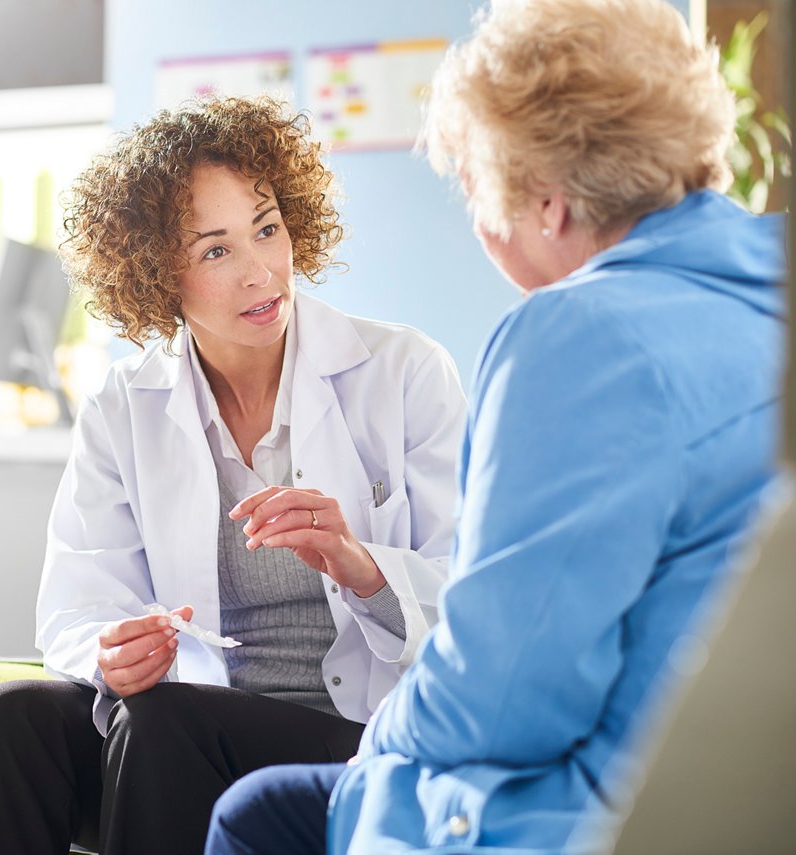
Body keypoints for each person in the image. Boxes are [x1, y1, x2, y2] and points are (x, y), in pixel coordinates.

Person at [204, 1, 788, 853]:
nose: (476, 219)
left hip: (618, 800)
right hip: (753, 782)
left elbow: (504, 695)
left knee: (256, 815)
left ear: (546, 203)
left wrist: (381, 742)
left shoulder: (577, 336)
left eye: (475, 187)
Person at [0, 96, 467, 855]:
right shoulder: (124, 405)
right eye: (216, 250)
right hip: (170, 739)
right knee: (5, 717)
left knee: (164, 720)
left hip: (350, 740)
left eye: (268, 228)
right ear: (156, 273)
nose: (261, 272)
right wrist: (109, 654)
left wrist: (363, 566)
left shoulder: (405, 373)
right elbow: (78, 606)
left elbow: (469, 600)